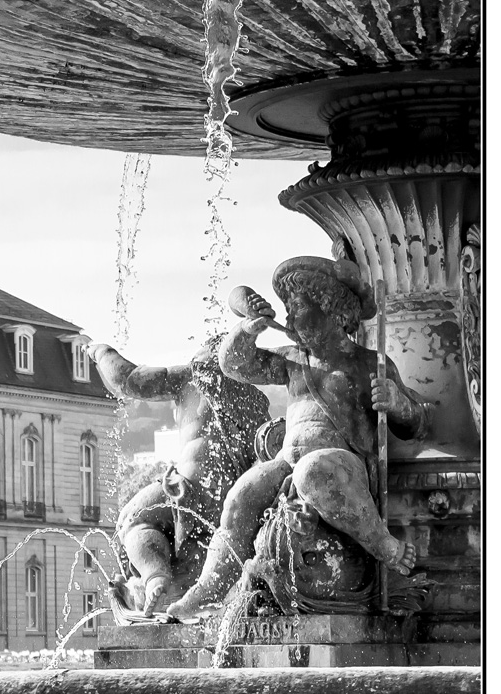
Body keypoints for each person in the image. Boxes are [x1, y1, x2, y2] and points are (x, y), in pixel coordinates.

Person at [167, 257, 424, 621]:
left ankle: (384, 544)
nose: (288, 320)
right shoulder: (291, 360)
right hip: (286, 460)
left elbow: (415, 424)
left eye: (298, 309)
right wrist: (248, 329)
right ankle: (210, 587)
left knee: (313, 471)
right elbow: (234, 365)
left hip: (340, 462)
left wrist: (397, 404)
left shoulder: (370, 363)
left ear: (333, 311)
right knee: (240, 497)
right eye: (287, 310)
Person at [86, 336, 269, 613]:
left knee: (133, 520)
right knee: (202, 553)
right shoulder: (255, 399)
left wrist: (100, 351)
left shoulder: (190, 377)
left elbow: (127, 379)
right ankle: (194, 594)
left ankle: (155, 573)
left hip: (187, 489)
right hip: (233, 501)